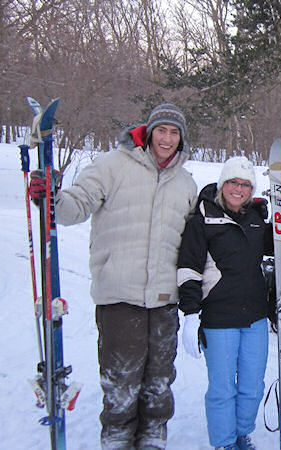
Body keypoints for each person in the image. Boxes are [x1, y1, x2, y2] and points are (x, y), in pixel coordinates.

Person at [30, 103, 198, 450]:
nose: (167, 139)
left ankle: (153, 436)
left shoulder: (186, 183)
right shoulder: (112, 165)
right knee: (121, 380)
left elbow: (193, 242)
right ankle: (118, 438)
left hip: (165, 298)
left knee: (160, 379)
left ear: (182, 139)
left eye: (174, 132)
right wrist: (51, 198)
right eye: (161, 130)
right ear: (149, 132)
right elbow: (75, 205)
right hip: (120, 294)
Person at [177, 156, 273, 450]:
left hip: (255, 317)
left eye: (245, 184)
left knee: (252, 386)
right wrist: (191, 314)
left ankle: (242, 434)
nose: (238, 189)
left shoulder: (257, 220)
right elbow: (188, 270)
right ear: (222, 184)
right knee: (222, 389)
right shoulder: (202, 220)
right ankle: (224, 442)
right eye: (233, 182)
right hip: (219, 319)